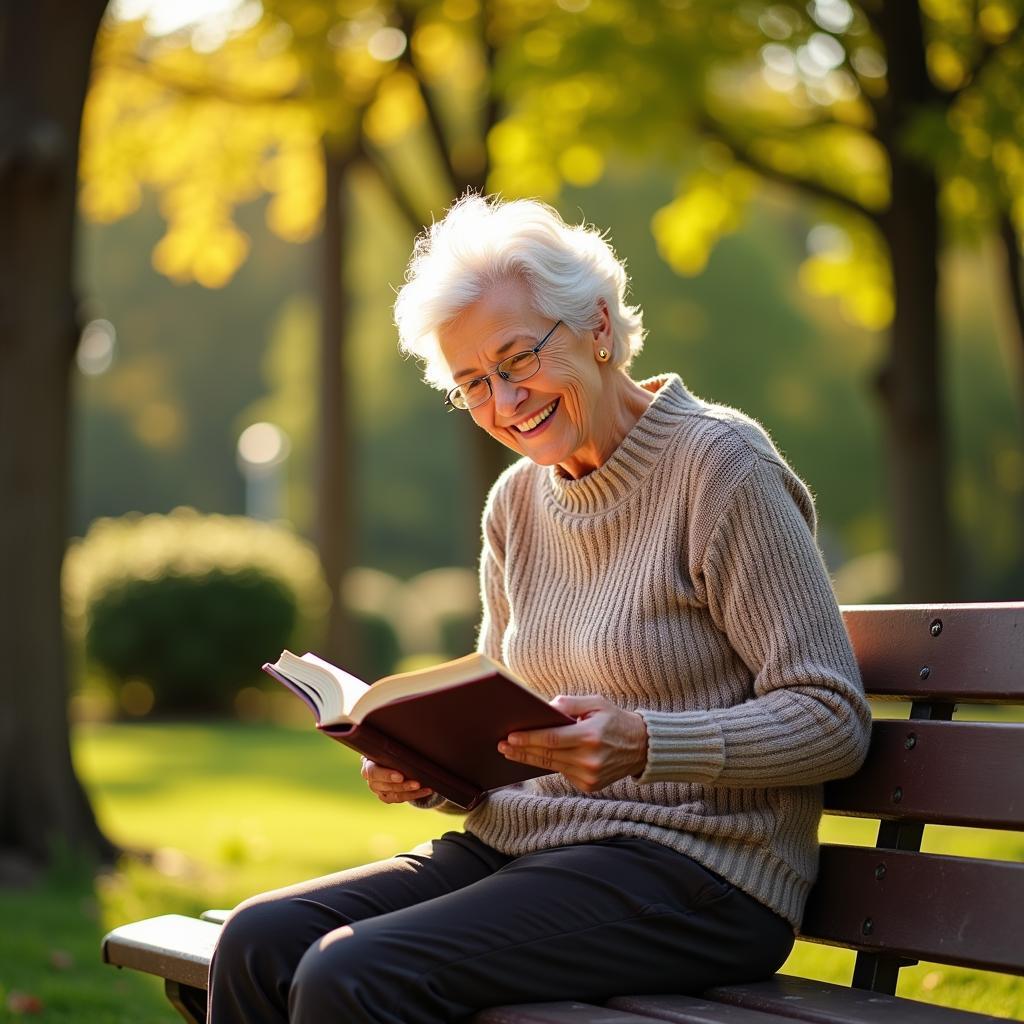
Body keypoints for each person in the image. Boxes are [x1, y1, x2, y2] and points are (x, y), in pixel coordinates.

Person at [203, 194, 872, 1024]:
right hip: (522, 846)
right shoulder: (516, 503)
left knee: (354, 976)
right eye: (473, 384)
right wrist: (434, 769)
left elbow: (833, 718)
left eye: (517, 360)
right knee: (257, 941)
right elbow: (507, 733)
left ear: (597, 325)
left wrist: (649, 744)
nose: (506, 401)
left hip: (697, 871)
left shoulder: (721, 468)